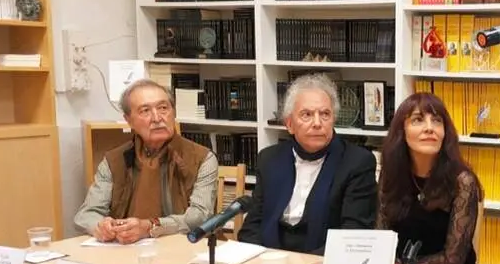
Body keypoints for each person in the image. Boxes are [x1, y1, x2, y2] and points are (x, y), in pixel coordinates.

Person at [237, 74, 377, 254]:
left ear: (334, 119)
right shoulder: (269, 159)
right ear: (289, 124)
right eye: (307, 115)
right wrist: (259, 261)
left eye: (325, 114)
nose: (317, 123)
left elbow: (353, 236)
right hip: (269, 263)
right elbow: (252, 226)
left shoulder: (357, 162)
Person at [74, 79, 217, 244]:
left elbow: (199, 217)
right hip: (126, 250)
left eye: (163, 108)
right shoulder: (114, 161)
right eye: (145, 111)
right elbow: (86, 214)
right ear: (128, 120)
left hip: (183, 247)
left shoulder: (202, 158)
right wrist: (100, 226)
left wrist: (151, 226)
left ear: (174, 112)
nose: (157, 118)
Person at [376, 92, 483, 264]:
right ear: (402, 131)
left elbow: (453, 260)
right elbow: (380, 237)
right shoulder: (391, 174)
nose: (429, 128)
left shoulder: (463, 182)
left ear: (445, 133)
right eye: (418, 120)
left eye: (436, 121)